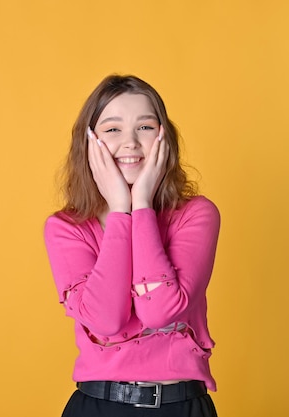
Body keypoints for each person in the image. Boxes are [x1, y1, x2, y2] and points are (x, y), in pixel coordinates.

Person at [44, 74, 221, 417]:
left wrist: (141, 204)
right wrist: (121, 211)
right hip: (98, 407)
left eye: (145, 127)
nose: (131, 143)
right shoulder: (66, 228)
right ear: (90, 142)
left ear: (163, 138)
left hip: (181, 406)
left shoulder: (196, 215)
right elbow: (106, 320)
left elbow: (159, 310)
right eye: (112, 129)